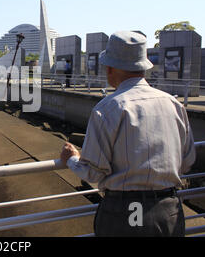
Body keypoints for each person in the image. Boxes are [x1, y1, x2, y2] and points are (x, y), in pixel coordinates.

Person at [61, 31, 196, 237]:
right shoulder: (174, 104)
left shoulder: (107, 109)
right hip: (168, 210)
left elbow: (94, 172)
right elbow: (186, 162)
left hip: (125, 212)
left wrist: (72, 160)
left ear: (111, 69)